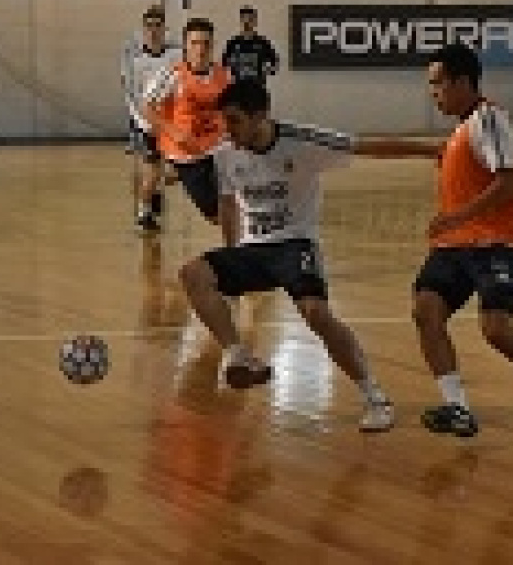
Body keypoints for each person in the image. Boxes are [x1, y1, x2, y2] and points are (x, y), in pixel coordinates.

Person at [178, 79, 426, 432]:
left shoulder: (303, 141)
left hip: (295, 245)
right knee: (193, 273)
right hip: (253, 249)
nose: (227, 130)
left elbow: (367, 146)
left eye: (234, 121)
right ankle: (239, 355)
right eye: (224, 121)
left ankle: (375, 397)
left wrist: (433, 151)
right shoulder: (225, 153)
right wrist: (232, 257)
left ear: (260, 116)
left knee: (316, 314)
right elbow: (228, 204)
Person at [359, 42, 513, 441]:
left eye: (437, 84)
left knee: (496, 329)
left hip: (496, 241)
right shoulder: (460, 131)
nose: (432, 93)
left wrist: (458, 215)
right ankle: (457, 406)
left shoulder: (489, 118)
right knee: (426, 310)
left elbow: (509, 182)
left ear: (462, 82)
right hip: (455, 246)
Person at [144, 17, 231, 235]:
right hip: (186, 155)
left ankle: (242, 249)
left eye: (206, 43)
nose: (200, 49)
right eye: (194, 43)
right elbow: (148, 108)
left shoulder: (224, 75)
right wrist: (173, 131)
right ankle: (158, 194)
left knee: (234, 205)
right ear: (185, 45)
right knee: (215, 216)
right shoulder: (172, 75)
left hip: (218, 149)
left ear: (213, 45)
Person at [120, 4, 182, 233]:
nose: (153, 30)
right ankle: (143, 213)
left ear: (164, 29)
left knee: (173, 171)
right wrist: (145, 122)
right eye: (149, 26)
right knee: (152, 170)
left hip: (171, 122)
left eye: (158, 26)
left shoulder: (175, 56)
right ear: (143, 29)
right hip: (146, 123)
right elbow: (131, 94)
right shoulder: (135, 60)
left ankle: (155, 194)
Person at [221, 6, 279, 86]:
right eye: (244, 19)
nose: (247, 22)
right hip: (237, 87)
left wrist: (264, 71)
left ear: (255, 22)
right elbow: (224, 65)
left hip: (257, 87)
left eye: (250, 19)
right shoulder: (232, 43)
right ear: (241, 21)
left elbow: (275, 64)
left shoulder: (263, 43)